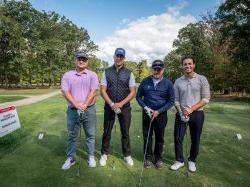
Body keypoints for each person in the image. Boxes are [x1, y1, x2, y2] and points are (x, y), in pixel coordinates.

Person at [170, 56, 210, 172]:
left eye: (190, 64)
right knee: (178, 138)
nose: (187, 66)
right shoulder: (178, 81)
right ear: (182, 66)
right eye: (185, 64)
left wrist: (191, 109)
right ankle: (179, 160)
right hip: (181, 113)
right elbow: (175, 99)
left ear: (194, 65)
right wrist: (181, 111)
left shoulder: (202, 79)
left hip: (197, 113)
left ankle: (192, 160)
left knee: (195, 139)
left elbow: (206, 98)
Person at [61, 51, 99, 170]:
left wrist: (85, 104)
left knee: (90, 135)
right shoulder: (67, 75)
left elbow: (93, 91)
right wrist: (77, 105)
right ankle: (70, 158)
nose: (81, 61)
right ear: (75, 60)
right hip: (73, 110)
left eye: (84, 59)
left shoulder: (93, 75)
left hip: (89, 109)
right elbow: (65, 92)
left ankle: (91, 156)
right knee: (72, 135)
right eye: (79, 59)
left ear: (87, 61)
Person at [99, 48, 136, 167]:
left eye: (121, 56)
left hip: (124, 107)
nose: (119, 58)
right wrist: (111, 103)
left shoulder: (129, 73)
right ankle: (104, 154)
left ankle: (127, 155)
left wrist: (120, 104)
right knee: (107, 131)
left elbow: (132, 92)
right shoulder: (106, 71)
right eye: (117, 56)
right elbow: (102, 90)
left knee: (125, 132)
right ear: (114, 56)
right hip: (109, 106)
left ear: (124, 58)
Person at [136, 60, 174, 169]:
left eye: (159, 69)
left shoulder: (168, 83)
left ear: (163, 70)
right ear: (152, 69)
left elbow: (171, 101)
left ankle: (158, 158)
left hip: (161, 115)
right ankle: (147, 157)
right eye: (155, 69)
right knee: (147, 136)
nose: (157, 71)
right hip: (147, 113)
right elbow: (138, 97)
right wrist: (146, 108)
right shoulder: (145, 81)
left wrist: (159, 111)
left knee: (159, 137)